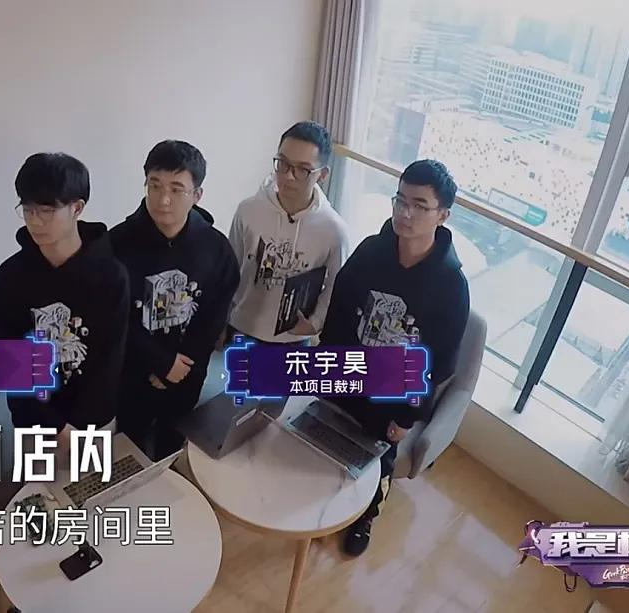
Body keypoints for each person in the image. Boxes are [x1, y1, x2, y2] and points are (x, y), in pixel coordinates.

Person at [319, 159, 471, 557]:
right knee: (327, 439)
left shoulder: (451, 284)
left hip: (392, 394)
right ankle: (324, 503)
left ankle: (365, 516)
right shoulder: (371, 251)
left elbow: (440, 362)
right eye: (400, 200)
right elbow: (338, 315)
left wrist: (406, 416)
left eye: (419, 205)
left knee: (376, 460)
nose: (405, 213)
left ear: (443, 215)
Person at [0, 152, 129, 457]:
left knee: (97, 485)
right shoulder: (10, 279)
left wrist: (80, 426)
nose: (35, 220)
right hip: (35, 425)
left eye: (46, 210)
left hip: (95, 423)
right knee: (39, 487)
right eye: (27, 209)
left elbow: (108, 361)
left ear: (77, 208)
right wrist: (55, 425)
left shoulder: (110, 277)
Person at [110, 140, 240, 459]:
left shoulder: (216, 248)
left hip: (187, 372)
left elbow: (212, 317)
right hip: (132, 374)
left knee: (173, 445)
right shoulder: (116, 244)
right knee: (129, 448)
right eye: (154, 185)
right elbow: (113, 317)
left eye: (176, 189)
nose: (163, 199)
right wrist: (160, 362)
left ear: (197, 195)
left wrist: (180, 364)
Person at [226, 121, 349, 346]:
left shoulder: (333, 230)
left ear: (322, 175)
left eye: (302, 170)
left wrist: (315, 323)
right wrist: (221, 320)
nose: (289, 176)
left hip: (293, 337)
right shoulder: (248, 210)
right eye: (282, 163)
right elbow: (229, 269)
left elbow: (336, 285)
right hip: (242, 327)